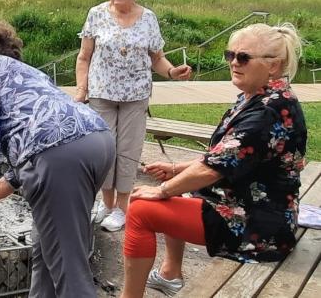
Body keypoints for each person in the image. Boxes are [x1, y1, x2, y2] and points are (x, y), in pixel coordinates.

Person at [119, 23, 307, 298]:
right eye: (229, 55)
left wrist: (160, 191)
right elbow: (225, 156)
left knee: (141, 209)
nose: (233, 63)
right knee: (172, 185)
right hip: (256, 209)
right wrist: (174, 170)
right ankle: (171, 274)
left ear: (274, 67)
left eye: (243, 57)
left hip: (258, 228)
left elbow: (211, 169)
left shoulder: (268, 111)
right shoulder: (259, 97)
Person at [0, 21, 114, 297]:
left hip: (60, 156)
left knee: (69, 268)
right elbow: (27, 161)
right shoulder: (31, 74)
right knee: (45, 251)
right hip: (97, 140)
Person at [76, 0, 192, 232]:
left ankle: (121, 207)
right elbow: (84, 57)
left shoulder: (148, 18)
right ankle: (105, 203)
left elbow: (158, 59)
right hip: (101, 93)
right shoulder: (96, 14)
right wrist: (81, 90)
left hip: (135, 95)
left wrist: (173, 72)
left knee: (127, 151)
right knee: (103, 149)